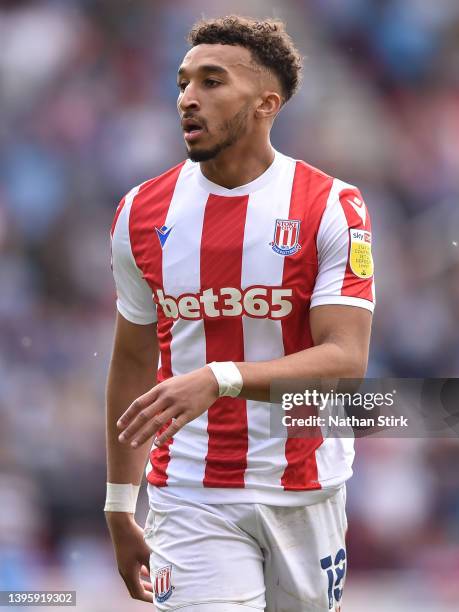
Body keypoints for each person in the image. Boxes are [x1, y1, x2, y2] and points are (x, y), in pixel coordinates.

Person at [105, 15, 374, 612]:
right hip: (190, 493)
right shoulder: (140, 212)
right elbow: (131, 358)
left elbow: (344, 361)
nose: (187, 98)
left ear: (266, 104)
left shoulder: (332, 205)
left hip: (307, 485)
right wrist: (120, 502)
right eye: (182, 83)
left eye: (211, 81)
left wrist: (221, 377)